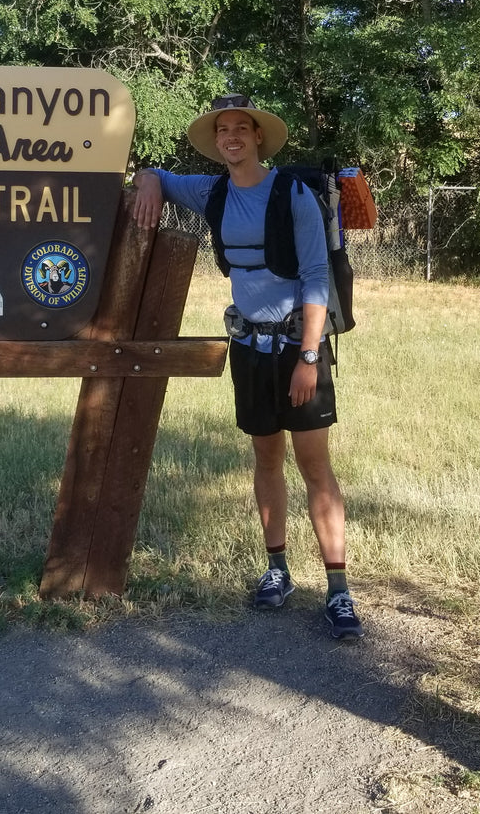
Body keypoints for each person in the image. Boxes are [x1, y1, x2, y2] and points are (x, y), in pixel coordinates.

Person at [131, 93, 362, 640]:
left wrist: (309, 357)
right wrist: (145, 176)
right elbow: (158, 174)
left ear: (259, 136)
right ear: (216, 142)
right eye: (222, 130)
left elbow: (313, 278)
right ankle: (277, 570)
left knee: (314, 466)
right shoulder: (211, 189)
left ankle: (338, 590)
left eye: (241, 128)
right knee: (265, 459)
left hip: (298, 348)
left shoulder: (293, 194)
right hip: (249, 349)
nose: (231, 137)